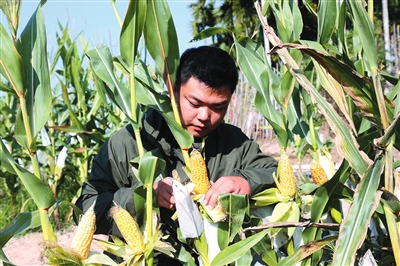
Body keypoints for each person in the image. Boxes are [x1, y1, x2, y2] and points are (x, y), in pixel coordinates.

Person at [76, 46, 278, 265]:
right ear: (172, 90)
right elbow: (86, 207)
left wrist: (244, 181)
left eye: (218, 107)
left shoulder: (234, 143)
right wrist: (143, 197)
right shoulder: (129, 142)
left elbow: (274, 172)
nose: (204, 116)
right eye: (194, 103)